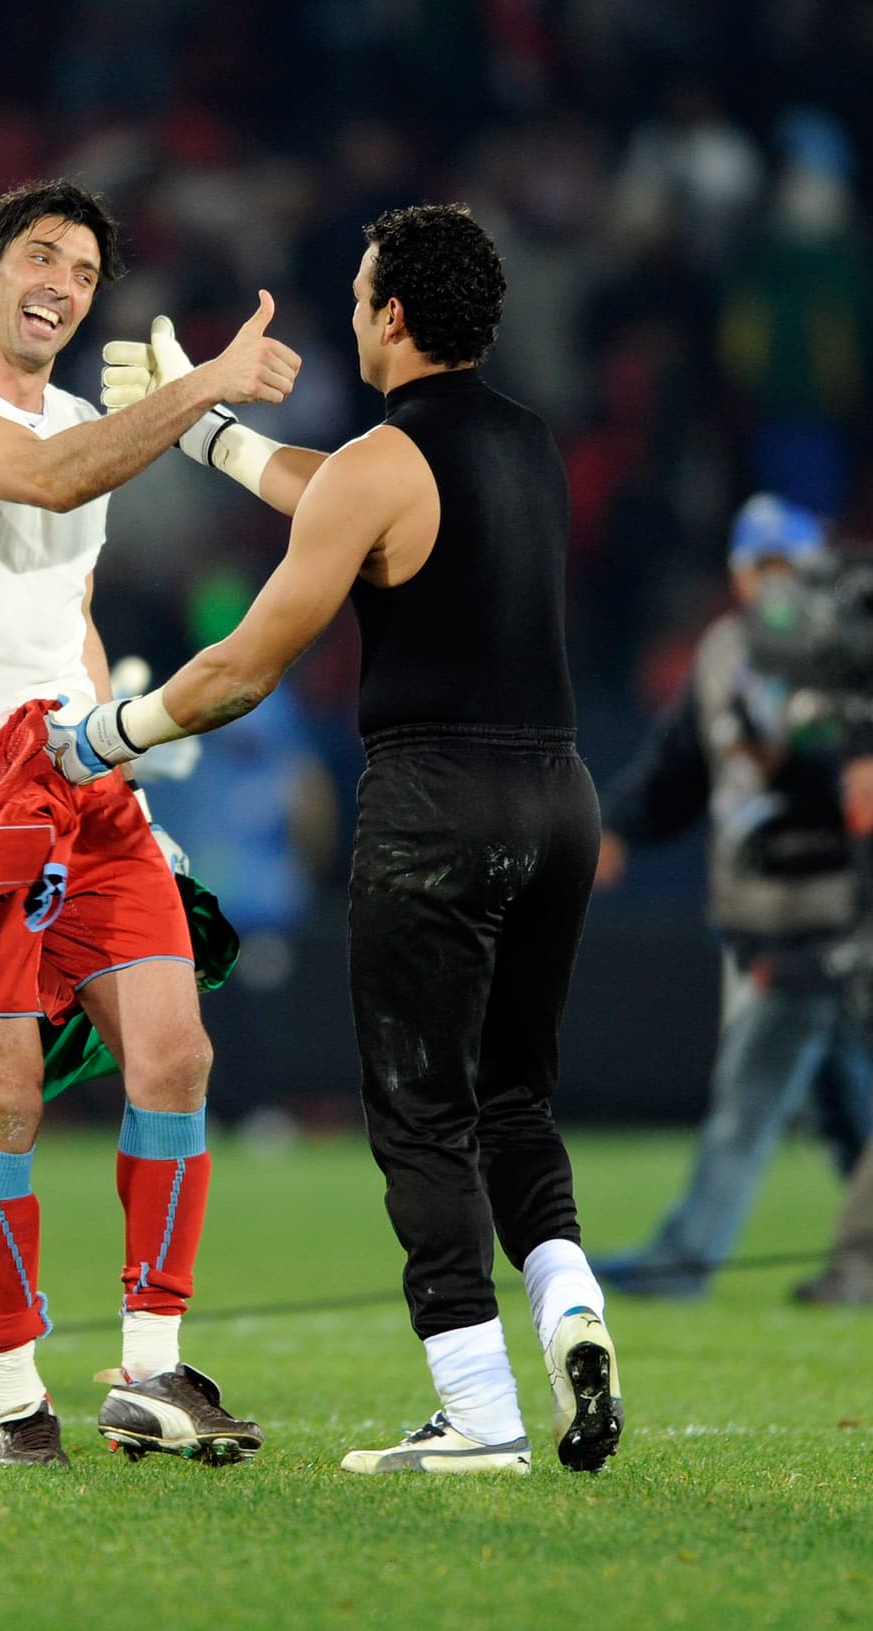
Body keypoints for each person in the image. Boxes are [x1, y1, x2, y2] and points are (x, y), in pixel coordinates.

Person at [49, 202, 624, 1476]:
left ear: (392, 315)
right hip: (557, 798)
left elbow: (243, 669)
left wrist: (101, 736)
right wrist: (205, 431)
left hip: (437, 807)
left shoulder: (378, 461)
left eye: (362, 294)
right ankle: (571, 1311)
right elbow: (349, 495)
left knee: (419, 1112)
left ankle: (477, 1411)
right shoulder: (530, 444)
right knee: (514, 1100)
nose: (353, 310)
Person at [0, 177, 300, 1469]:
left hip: (76, 768)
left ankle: (151, 1369)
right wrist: (202, 389)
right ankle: (11, 1390)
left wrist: (124, 767)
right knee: (1, 1092)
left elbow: (72, 609)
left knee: (175, 1051)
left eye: (86, 271)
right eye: (39, 257)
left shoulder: (86, 425)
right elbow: (48, 484)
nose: (60, 284)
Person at [593, 495, 873, 1299]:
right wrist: (620, 826)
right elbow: (679, 765)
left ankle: (684, 1258)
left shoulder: (847, 646)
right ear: (740, 574)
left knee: (753, 1090)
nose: (776, 583)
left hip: (836, 906)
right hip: (760, 907)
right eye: (763, 566)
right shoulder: (723, 651)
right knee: (842, 1103)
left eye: (790, 565)